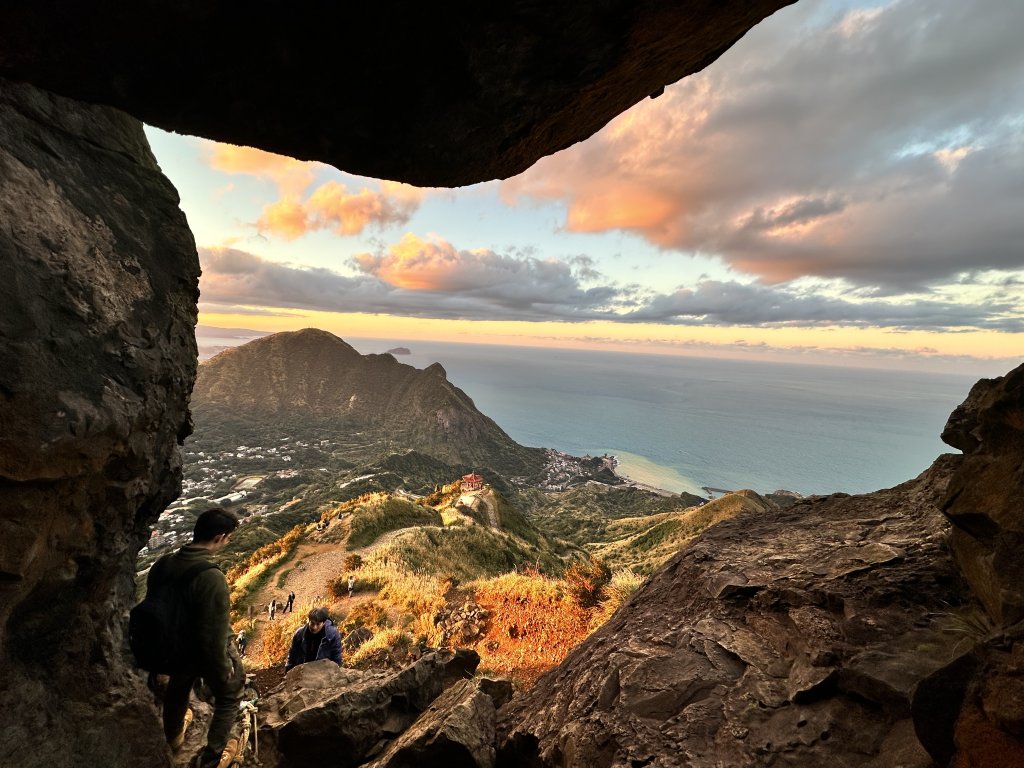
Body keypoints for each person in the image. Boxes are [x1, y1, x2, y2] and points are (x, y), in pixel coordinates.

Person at [147, 508, 243, 768]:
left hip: (165, 647)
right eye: (228, 538)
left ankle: (173, 735)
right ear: (219, 537)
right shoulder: (211, 577)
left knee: (179, 685)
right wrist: (225, 670)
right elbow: (215, 634)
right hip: (195, 648)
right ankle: (213, 757)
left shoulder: (163, 563)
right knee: (229, 696)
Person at [285, 608, 343, 672]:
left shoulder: (332, 635)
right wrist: (287, 671)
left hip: (323, 671)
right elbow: (292, 655)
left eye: (318, 624)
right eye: (312, 623)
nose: (314, 627)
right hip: (302, 671)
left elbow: (336, 656)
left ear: (323, 623)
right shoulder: (299, 634)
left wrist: (337, 673)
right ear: (308, 621)